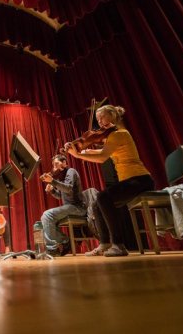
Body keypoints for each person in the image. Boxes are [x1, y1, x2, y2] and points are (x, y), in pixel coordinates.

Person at [66, 105, 154, 257]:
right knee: (96, 204)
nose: (99, 122)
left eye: (102, 117)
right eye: (98, 118)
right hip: (131, 181)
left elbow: (102, 157)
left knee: (103, 197)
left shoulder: (119, 134)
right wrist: (87, 151)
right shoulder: (115, 136)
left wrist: (79, 155)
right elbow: (104, 151)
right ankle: (105, 243)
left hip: (140, 179)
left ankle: (118, 245)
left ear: (112, 116)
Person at [40, 154, 87, 256]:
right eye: (53, 165)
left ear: (65, 162)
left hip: (78, 207)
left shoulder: (71, 171)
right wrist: (52, 191)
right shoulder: (61, 177)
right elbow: (60, 196)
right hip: (69, 208)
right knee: (47, 219)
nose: (54, 167)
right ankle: (65, 241)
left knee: (47, 215)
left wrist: (52, 181)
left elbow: (68, 188)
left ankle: (52, 249)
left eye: (56, 164)